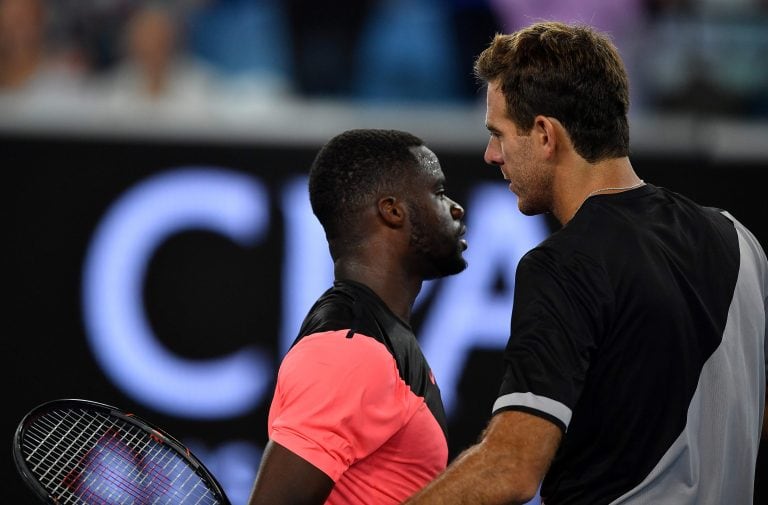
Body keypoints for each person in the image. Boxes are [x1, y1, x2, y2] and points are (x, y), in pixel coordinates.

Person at [406, 21, 768, 504]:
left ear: (544, 134)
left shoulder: (563, 265)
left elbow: (510, 468)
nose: (492, 155)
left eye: (499, 133)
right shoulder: (740, 240)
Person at [247, 129, 469, 504]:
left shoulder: (375, 339)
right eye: (438, 192)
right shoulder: (350, 350)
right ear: (392, 210)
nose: (455, 207)